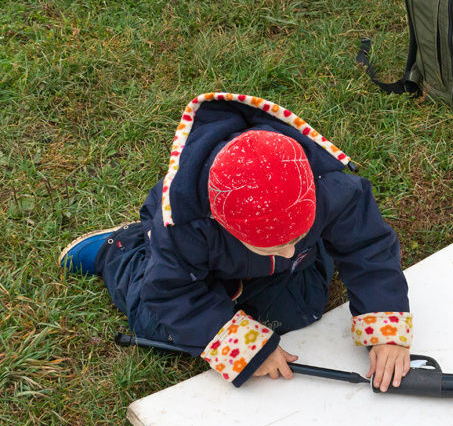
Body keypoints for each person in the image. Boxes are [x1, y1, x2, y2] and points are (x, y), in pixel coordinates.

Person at [59, 92, 413, 390]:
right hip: (190, 265)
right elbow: (172, 292)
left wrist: (384, 327)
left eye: (296, 237)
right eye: (275, 245)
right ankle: (120, 252)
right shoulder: (187, 225)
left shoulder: (332, 188)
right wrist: (241, 345)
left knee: (303, 309)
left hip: (261, 264)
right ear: (224, 226)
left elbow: (366, 247)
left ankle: (277, 256)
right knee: (156, 323)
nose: (289, 251)